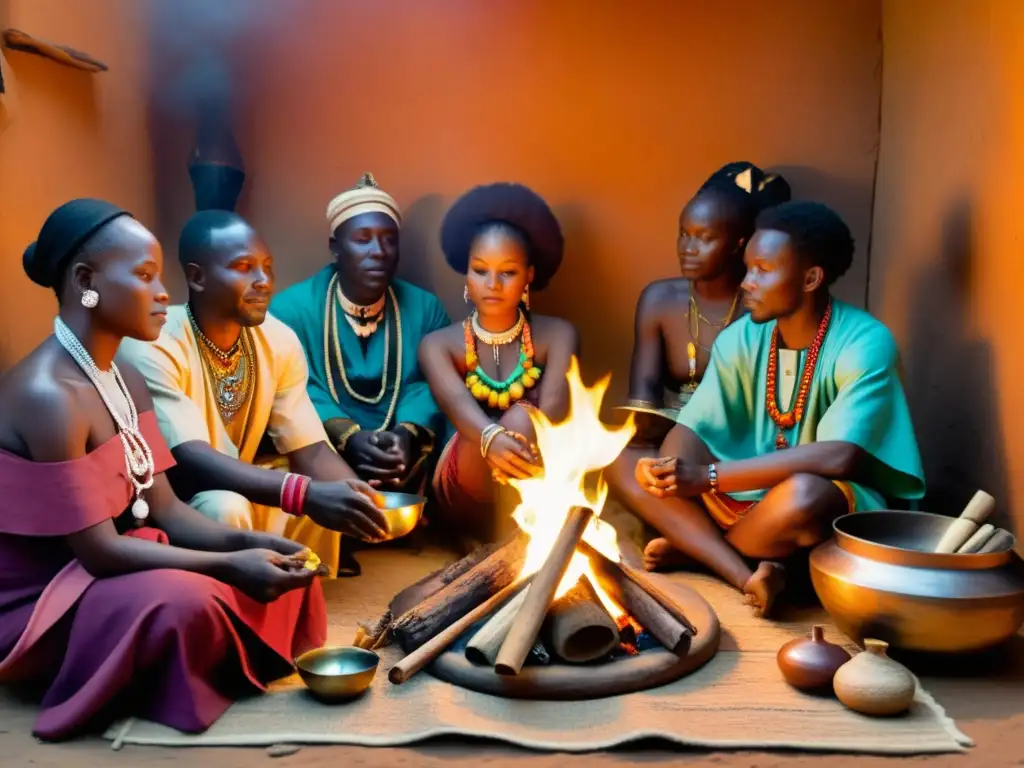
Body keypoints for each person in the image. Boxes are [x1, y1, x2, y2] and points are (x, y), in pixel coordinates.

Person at [0, 199, 327, 741]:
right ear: (87, 281)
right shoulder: (48, 395)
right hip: (49, 596)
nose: (164, 294)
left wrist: (247, 548)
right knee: (190, 600)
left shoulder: (123, 376)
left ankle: (206, 653)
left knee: (284, 569)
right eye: (146, 276)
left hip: (115, 561)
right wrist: (228, 566)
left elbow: (168, 508)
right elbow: (101, 552)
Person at [633, 201, 925, 617]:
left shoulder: (865, 341)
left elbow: (840, 456)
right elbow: (692, 429)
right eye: (748, 268)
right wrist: (664, 469)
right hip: (741, 500)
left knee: (803, 496)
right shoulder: (740, 339)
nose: (746, 283)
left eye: (763, 271)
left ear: (810, 278)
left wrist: (705, 477)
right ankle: (744, 570)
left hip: (824, 505)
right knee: (628, 463)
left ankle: (701, 552)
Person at [119, 210, 391, 580]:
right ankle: (227, 609)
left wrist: (360, 502)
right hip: (177, 504)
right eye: (244, 267)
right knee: (228, 505)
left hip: (239, 487)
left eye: (267, 267)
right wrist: (304, 493)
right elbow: (188, 456)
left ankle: (295, 597)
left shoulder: (278, 340)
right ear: (197, 277)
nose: (264, 281)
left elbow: (308, 447)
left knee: (323, 495)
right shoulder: (155, 341)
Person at [607, 163, 790, 519]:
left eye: (705, 238)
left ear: (739, 244)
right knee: (622, 461)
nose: (688, 248)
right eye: (683, 234)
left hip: (737, 449)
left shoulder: (762, 309)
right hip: (671, 445)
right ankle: (700, 537)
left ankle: (691, 538)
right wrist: (645, 428)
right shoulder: (659, 300)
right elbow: (643, 399)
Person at [271, 173, 450, 501]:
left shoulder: (426, 309)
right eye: (363, 238)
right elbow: (293, 390)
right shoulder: (290, 311)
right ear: (335, 248)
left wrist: (406, 435)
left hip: (406, 459)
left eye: (388, 239)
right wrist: (348, 437)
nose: (379, 251)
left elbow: (431, 384)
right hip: (324, 453)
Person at [420, 182, 579, 547]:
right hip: (464, 479)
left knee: (525, 418)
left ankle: (514, 543)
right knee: (502, 426)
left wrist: (516, 432)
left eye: (507, 272)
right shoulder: (438, 344)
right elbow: (460, 409)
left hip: (535, 469)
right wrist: (492, 439)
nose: (492, 284)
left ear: (529, 276)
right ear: (466, 274)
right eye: (480, 270)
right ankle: (505, 544)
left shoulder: (558, 335)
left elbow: (552, 408)